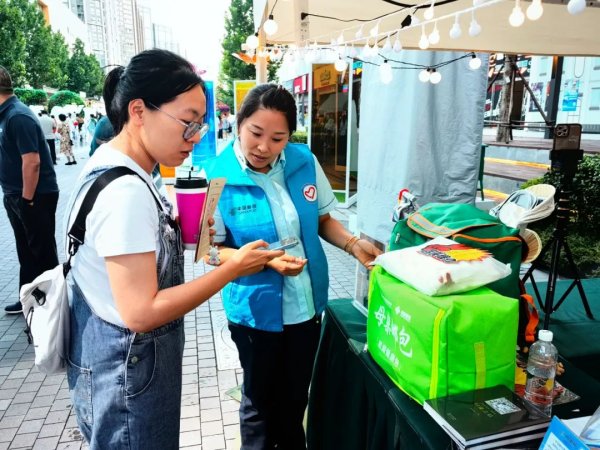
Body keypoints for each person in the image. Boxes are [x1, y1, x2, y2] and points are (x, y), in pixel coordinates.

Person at [63, 49, 282, 449]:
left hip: (113, 368)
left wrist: (175, 231)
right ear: (139, 111)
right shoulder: (126, 191)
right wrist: (232, 268)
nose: (195, 137)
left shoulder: (117, 165)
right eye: (187, 122)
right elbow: (141, 312)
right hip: (127, 376)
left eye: (200, 124)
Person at [203, 84, 382, 450]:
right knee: (258, 404)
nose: (263, 147)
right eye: (255, 133)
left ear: (289, 137)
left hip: (305, 308)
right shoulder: (216, 176)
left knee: (295, 397)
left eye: (277, 138)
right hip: (254, 314)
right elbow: (210, 252)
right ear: (239, 123)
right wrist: (265, 260)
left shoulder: (303, 162)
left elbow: (322, 220)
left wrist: (353, 245)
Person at [0, 66, 59, 315]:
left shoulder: (17, 116)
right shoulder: (6, 116)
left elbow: (32, 161)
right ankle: (28, 298)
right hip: (17, 194)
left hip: (34, 195)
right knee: (26, 250)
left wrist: (27, 199)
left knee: (42, 252)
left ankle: (55, 305)